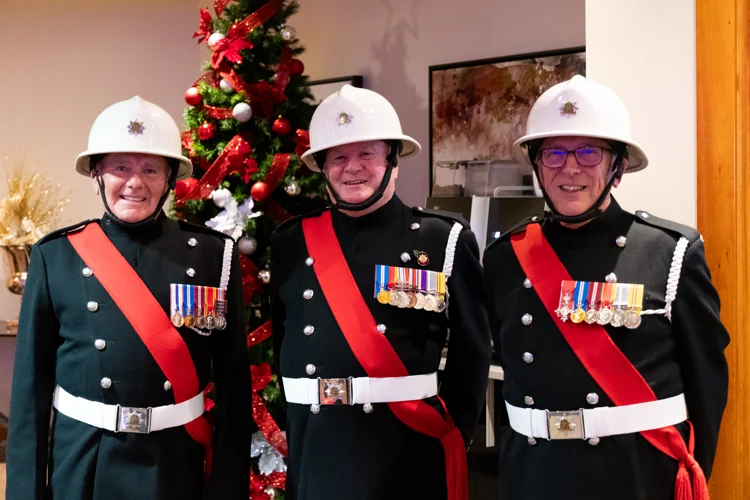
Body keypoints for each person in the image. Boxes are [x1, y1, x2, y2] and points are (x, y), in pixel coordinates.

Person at [483, 75, 729, 499]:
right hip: (535, 476)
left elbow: (707, 388)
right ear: (538, 165)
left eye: (589, 152)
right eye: (554, 153)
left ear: (618, 166)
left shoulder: (669, 252)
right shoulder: (504, 257)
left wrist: (687, 475)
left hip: (635, 476)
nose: (570, 167)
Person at [6, 96, 251, 500]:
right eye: (121, 167)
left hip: (175, 462)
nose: (135, 182)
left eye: (151, 169)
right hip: (84, 460)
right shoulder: (57, 256)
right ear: (98, 173)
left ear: (170, 178)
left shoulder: (212, 255)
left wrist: (225, 487)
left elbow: (233, 387)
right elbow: (30, 393)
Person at [270, 85, 491, 500]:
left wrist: (455, 435)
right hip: (320, 446)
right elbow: (286, 344)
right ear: (323, 166)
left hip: (409, 450)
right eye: (338, 157)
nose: (352, 168)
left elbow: (471, 355)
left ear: (392, 159)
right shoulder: (291, 242)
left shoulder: (441, 239)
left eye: (366, 154)